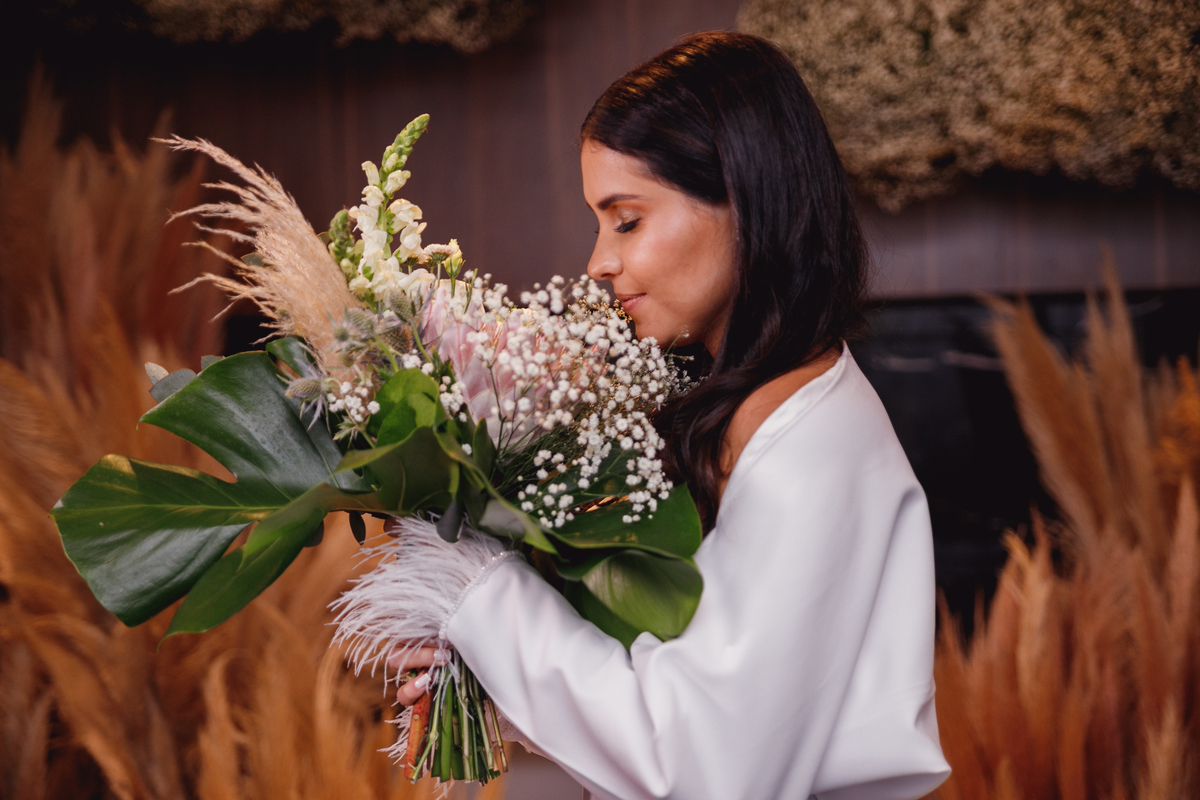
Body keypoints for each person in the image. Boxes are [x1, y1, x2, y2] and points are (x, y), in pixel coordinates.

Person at [388, 31, 950, 800]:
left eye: (626, 220)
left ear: (743, 200)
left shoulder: (810, 445)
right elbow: (689, 706)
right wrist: (495, 687)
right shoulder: (753, 408)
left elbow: (703, 769)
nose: (599, 262)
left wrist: (478, 594)